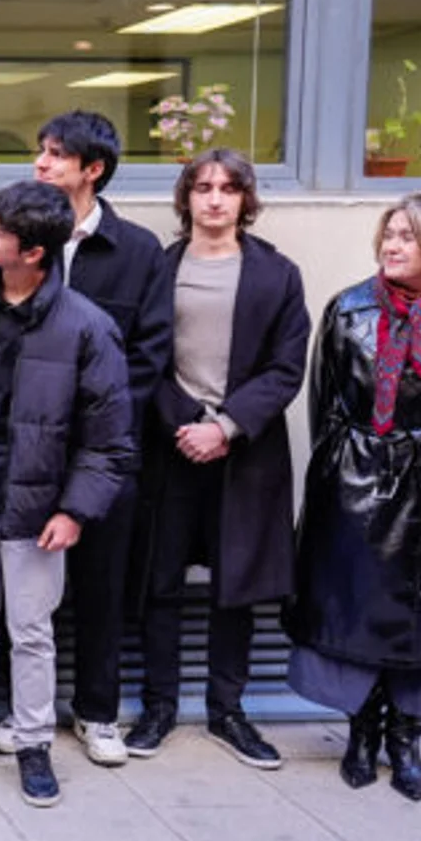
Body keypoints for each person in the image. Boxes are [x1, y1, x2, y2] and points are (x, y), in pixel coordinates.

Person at [0, 180, 134, 808]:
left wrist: (75, 509)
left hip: (37, 508)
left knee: (32, 628)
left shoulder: (88, 327)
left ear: (34, 252)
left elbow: (109, 438)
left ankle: (34, 741)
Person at [288, 192, 421, 801]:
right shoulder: (349, 311)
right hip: (355, 476)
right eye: (390, 232)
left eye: (408, 236)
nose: (392, 244)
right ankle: (361, 729)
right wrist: (340, 472)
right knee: (356, 603)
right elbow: (325, 401)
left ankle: (406, 738)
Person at [0, 111, 170, 767]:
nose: (40, 162)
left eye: (56, 154)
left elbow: (149, 356)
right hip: (23, 453)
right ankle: (22, 708)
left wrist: (95, 435)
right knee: (25, 584)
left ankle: (98, 712)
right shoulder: (12, 237)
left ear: (93, 169)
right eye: (40, 151)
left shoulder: (141, 250)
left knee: (102, 584)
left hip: (104, 453)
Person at [122, 151, 309, 768]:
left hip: (244, 454)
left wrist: (225, 427)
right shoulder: (158, 267)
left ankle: (228, 711)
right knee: (160, 582)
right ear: (186, 197)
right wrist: (185, 423)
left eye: (229, 188)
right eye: (203, 187)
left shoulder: (277, 274)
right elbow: (143, 355)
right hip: (170, 446)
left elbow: (287, 367)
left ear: (246, 200)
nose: (215, 199)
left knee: (238, 586)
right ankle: (158, 708)